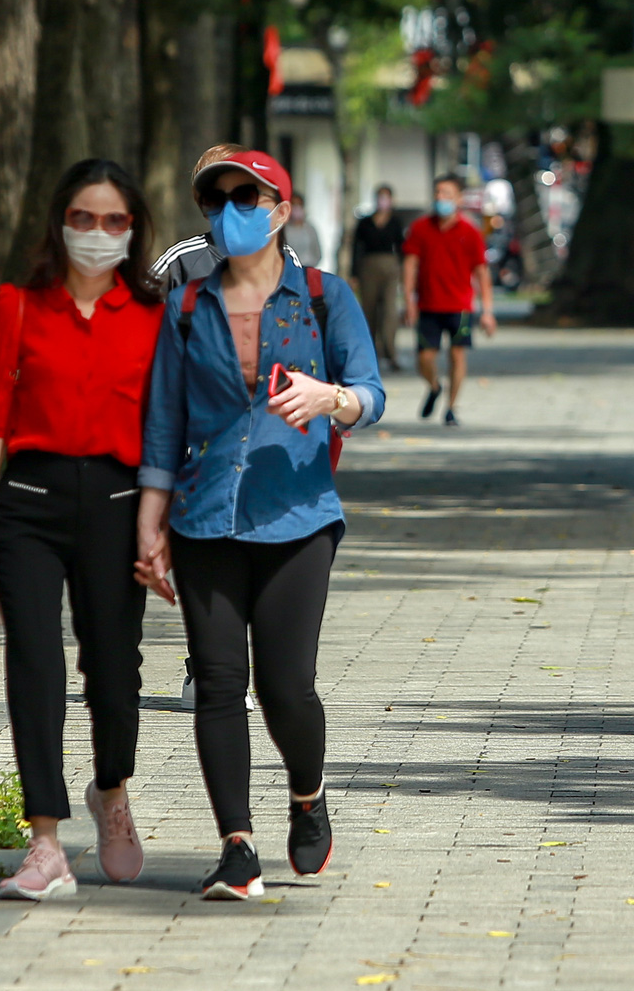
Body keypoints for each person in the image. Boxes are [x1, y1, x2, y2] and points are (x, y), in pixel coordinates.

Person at [134, 149, 384, 901]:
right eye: (219, 198)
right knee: (217, 682)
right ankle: (235, 846)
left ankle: (307, 794)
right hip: (204, 516)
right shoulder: (186, 306)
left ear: (281, 208)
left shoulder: (324, 296)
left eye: (249, 195)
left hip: (298, 513)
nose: (232, 209)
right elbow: (161, 423)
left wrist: (329, 396)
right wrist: (150, 526)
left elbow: (372, 394)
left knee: (285, 686)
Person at [0, 158, 164, 900]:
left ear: (133, 230)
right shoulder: (20, 304)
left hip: (117, 502)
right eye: (84, 217)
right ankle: (43, 840)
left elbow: (165, 430)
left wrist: (161, 523)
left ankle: (111, 790)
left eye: (114, 220)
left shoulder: (152, 313)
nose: (98, 233)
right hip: (28, 505)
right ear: (59, 222)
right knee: (35, 665)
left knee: (113, 669)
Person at [402, 173, 497, 425]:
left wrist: (487, 311)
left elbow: (482, 273)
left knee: (457, 356)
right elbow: (410, 266)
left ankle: (452, 407)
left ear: (459, 198)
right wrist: (408, 301)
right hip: (428, 304)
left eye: (447, 194)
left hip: (460, 305)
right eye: (438, 193)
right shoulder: (420, 228)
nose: (441, 198)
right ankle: (434, 386)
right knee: (425, 357)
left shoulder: (470, 232)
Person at [152, 144, 303, 291]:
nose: (229, 208)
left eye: (245, 196)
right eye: (214, 199)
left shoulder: (284, 258)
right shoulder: (180, 262)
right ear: (203, 207)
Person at [352, 185, 407, 370]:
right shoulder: (365, 222)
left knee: (390, 311)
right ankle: (369, 353)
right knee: (368, 311)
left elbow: (402, 249)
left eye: (386, 197)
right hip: (368, 267)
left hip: (390, 267)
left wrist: (404, 272)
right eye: (380, 197)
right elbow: (356, 248)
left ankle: (390, 351)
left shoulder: (396, 222)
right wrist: (354, 274)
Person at [283, 191, 323, 268]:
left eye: (299, 205)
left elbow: (317, 253)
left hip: (307, 268)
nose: (296, 208)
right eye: (294, 205)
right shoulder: (284, 230)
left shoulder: (310, 229)